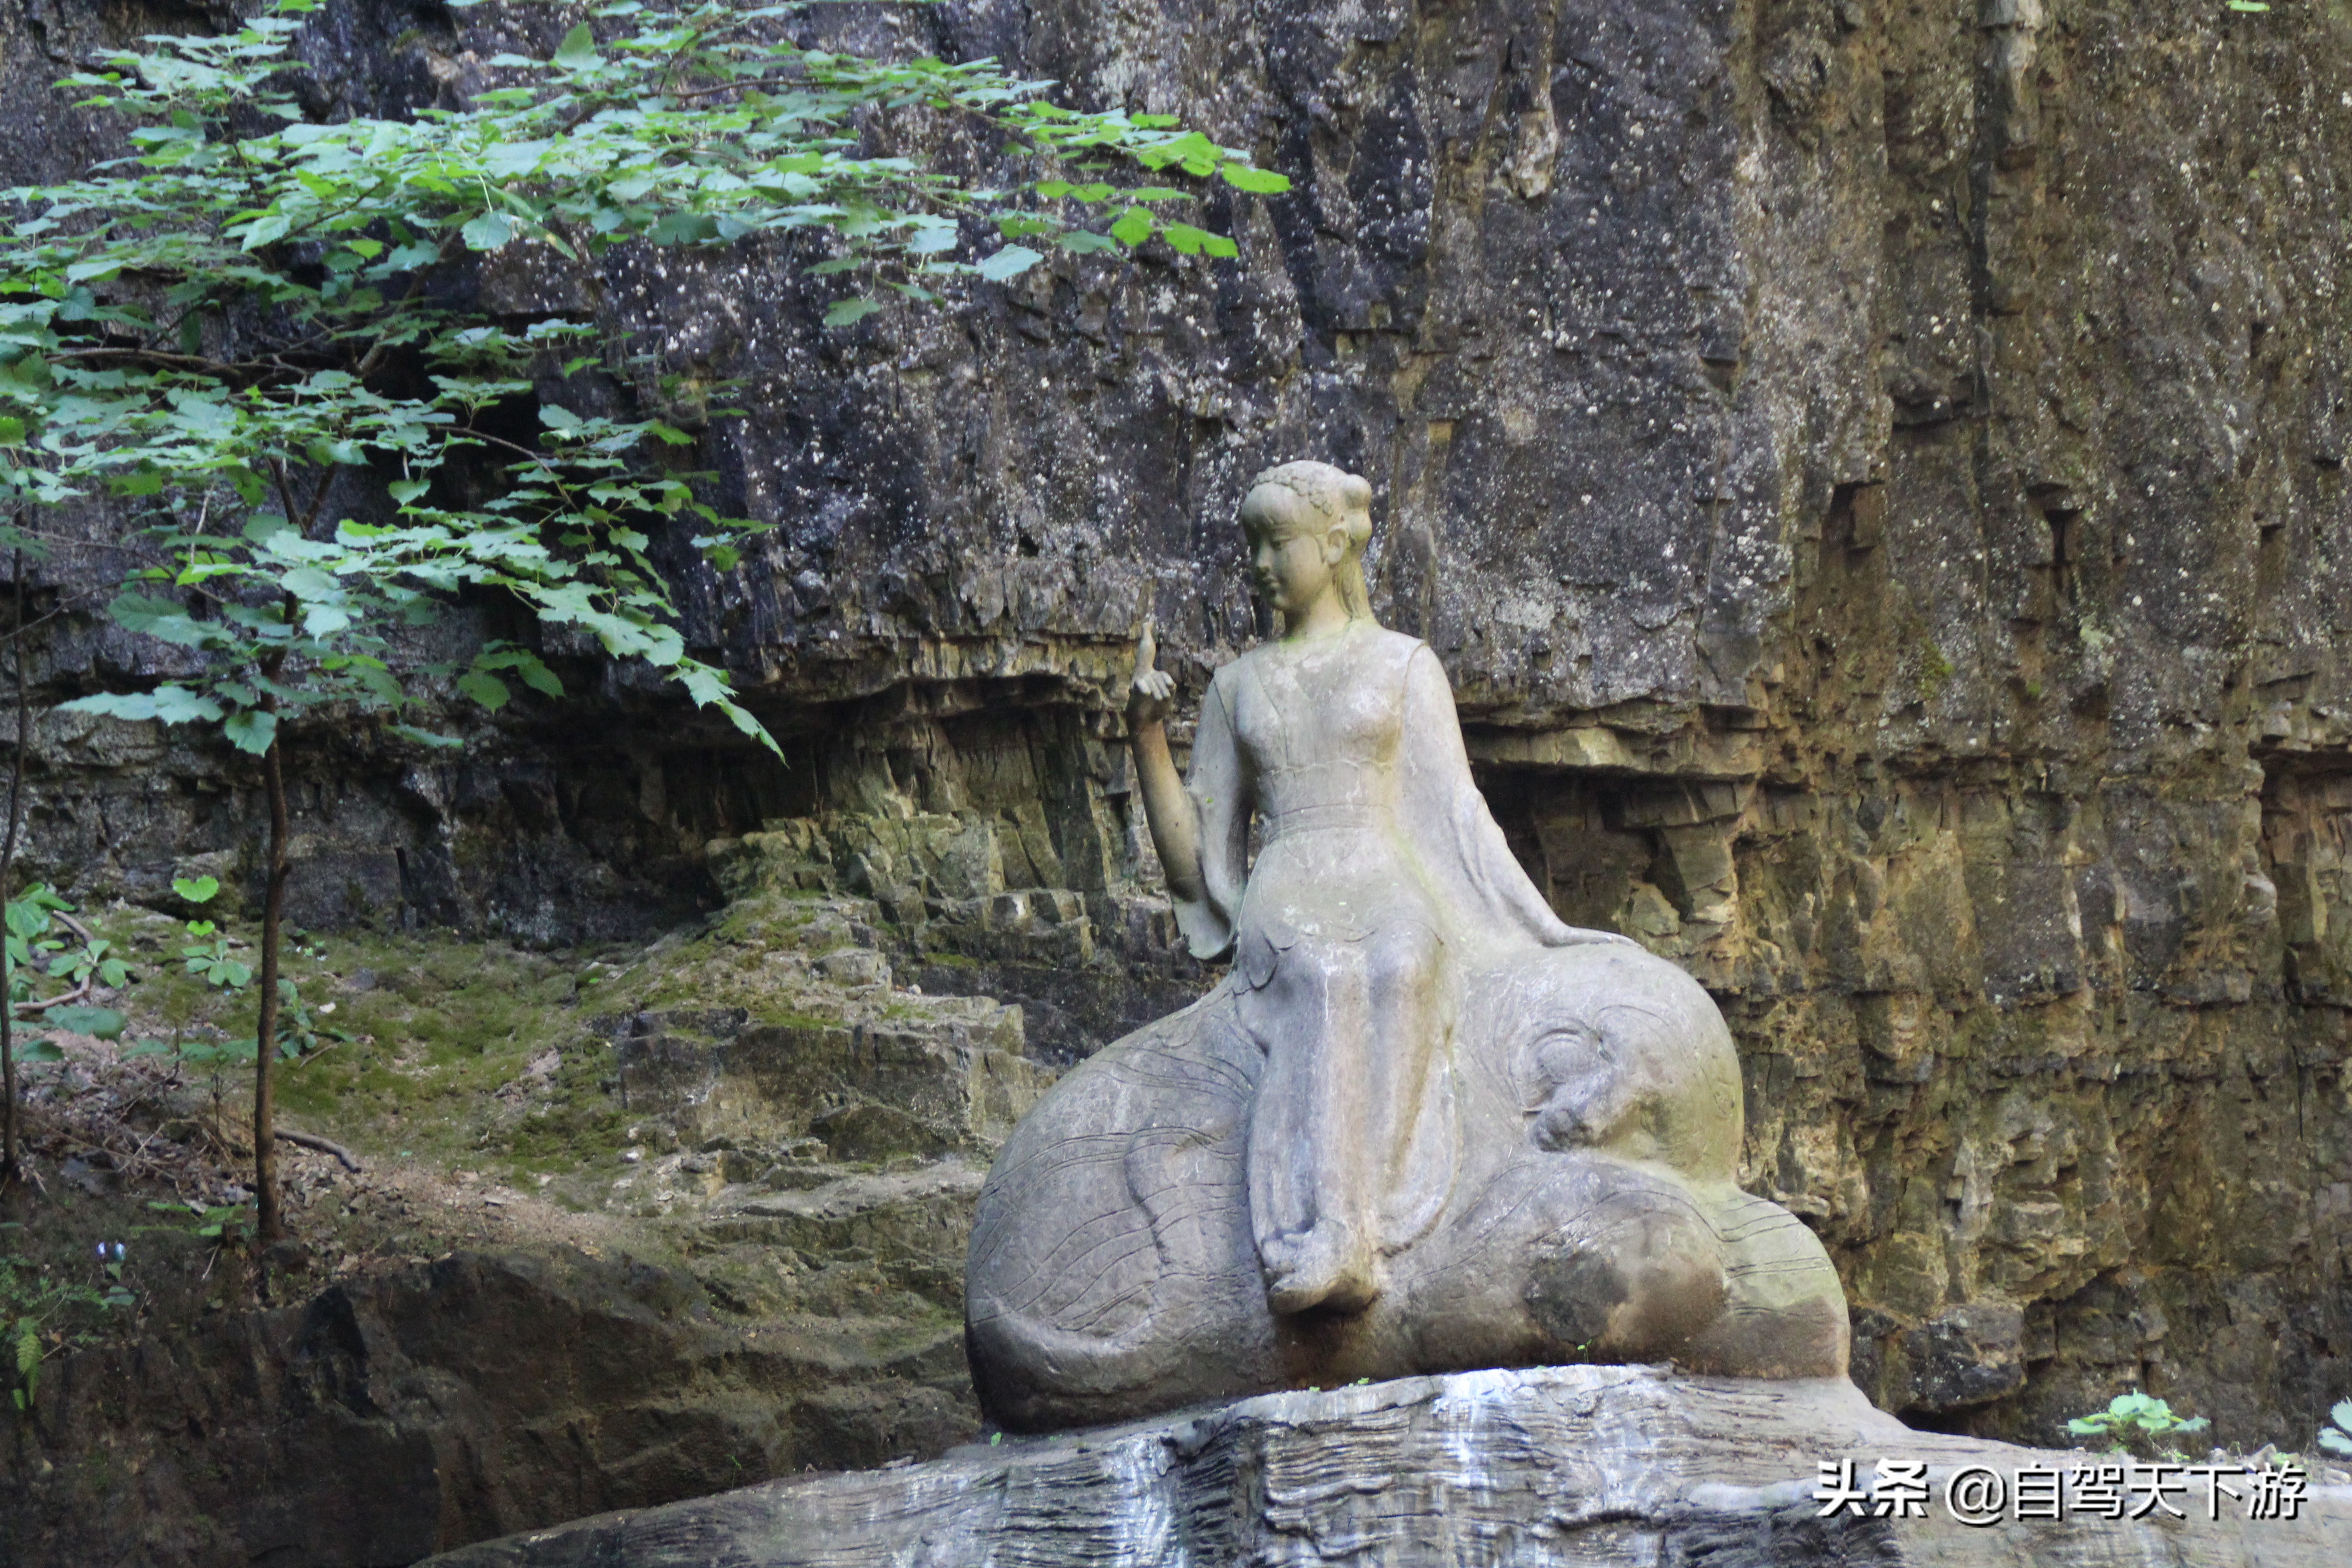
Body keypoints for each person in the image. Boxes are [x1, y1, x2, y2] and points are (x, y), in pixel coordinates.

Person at [1124, 460, 1630, 1317]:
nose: (1257, 565)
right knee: (1327, 975)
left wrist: (1544, 926)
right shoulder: (1239, 685)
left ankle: (1389, 1215)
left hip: (1386, 877)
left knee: (1401, 963)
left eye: (1274, 544)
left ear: (1332, 546)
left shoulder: (1405, 665)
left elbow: (1460, 815)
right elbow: (1196, 860)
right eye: (1250, 546)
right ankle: (1329, 1230)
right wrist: (1145, 737)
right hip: (1291, 883)